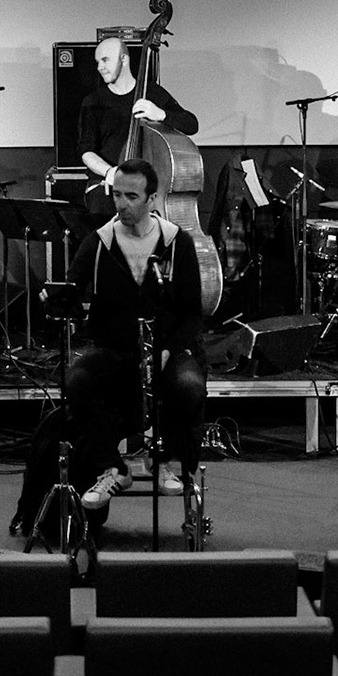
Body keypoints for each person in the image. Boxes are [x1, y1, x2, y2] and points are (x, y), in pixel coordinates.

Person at [69, 159, 208, 509]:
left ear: (152, 198)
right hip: (117, 348)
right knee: (77, 381)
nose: (122, 204)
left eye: (131, 196)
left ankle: (166, 461)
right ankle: (113, 467)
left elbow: (192, 313)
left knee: (188, 385)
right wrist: (55, 299)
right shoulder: (98, 242)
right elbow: (70, 292)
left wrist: (167, 349)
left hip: (168, 347)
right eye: (117, 195)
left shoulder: (177, 243)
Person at [78, 37, 198, 202]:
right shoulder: (93, 102)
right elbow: (87, 151)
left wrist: (160, 114)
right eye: (98, 62)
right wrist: (109, 172)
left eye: (105, 60)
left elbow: (191, 124)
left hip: (149, 193)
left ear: (124, 59)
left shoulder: (153, 94)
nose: (100, 67)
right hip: (108, 187)